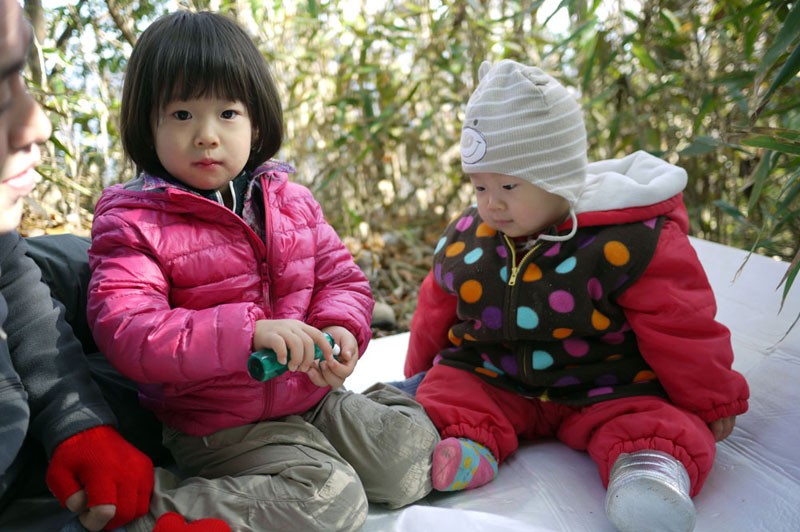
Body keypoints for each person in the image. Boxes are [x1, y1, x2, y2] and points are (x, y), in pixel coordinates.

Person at [85, 10, 439, 532]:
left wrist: (341, 332)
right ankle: (149, 507)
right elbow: (129, 331)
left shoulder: (290, 201)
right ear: (147, 123)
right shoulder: (134, 221)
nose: (207, 135)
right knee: (331, 500)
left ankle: (374, 416)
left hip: (310, 398)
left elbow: (342, 281)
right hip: (218, 422)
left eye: (227, 113)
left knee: (411, 461)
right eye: (182, 114)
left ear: (256, 122)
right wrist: (247, 333)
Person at [403, 60, 749, 532]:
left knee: (656, 419)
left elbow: (680, 323)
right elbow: (433, 310)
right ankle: (466, 446)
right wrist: (419, 373)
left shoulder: (626, 239)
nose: (492, 203)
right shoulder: (470, 238)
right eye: (479, 185)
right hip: (497, 375)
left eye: (508, 186)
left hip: (607, 382)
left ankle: (647, 472)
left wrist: (713, 400)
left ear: (559, 177)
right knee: (450, 388)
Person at [0, 0, 155, 531]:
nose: (37, 124)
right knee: (160, 387)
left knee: (96, 266)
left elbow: (8, 266)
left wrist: (76, 421)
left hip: (41, 270)